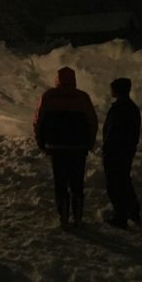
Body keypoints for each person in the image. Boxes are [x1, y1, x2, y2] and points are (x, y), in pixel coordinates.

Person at [33, 66, 98, 229]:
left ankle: (63, 217)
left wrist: (40, 141)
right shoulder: (82, 97)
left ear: (58, 79)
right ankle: (78, 217)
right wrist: (90, 142)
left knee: (60, 182)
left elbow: (38, 121)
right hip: (78, 147)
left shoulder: (48, 96)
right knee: (77, 182)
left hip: (57, 147)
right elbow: (92, 121)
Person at [102, 78, 141, 229]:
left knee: (115, 183)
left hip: (116, 151)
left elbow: (113, 132)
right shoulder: (131, 108)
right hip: (126, 150)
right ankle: (133, 211)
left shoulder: (120, 108)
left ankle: (121, 215)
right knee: (124, 180)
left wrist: (108, 149)